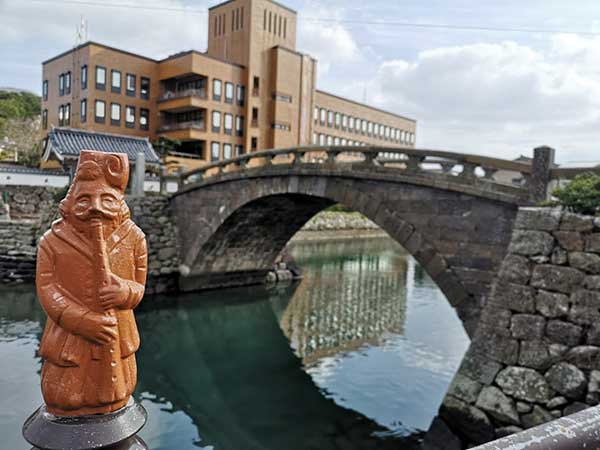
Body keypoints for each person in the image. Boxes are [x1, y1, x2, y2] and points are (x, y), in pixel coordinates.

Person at [36, 150, 147, 416]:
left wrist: (124, 292)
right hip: (70, 339)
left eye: (106, 199)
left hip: (117, 336)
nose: (95, 207)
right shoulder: (52, 241)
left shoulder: (134, 239)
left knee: (121, 388)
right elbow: (47, 289)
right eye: (84, 200)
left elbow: (139, 287)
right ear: (70, 203)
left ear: (119, 202)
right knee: (66, 393)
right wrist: (81, 321)